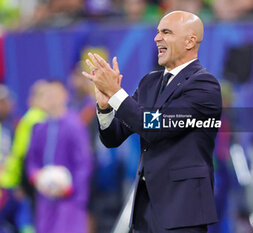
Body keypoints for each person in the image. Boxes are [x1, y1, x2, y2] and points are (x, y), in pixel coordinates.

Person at [83, 10, 222, 233]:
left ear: (190, 41)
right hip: (145, 211)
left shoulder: (204, 85)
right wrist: (105, 105)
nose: (157, 38)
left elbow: (156, 126)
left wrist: (117, 93)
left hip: (182, 210)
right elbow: (113, 137)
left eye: (166, 32)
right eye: (157, 32)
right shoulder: (149, 82)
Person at [26, 81, 92, 233]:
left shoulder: (75, 126)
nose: (51, 99)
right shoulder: (39, 128)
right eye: (47, 95)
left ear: (65, 96)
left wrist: (70, 188)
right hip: (45, 198)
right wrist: (37, 178)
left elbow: (83, 163)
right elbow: (32, 161)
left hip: (70, 200)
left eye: (55, 94)